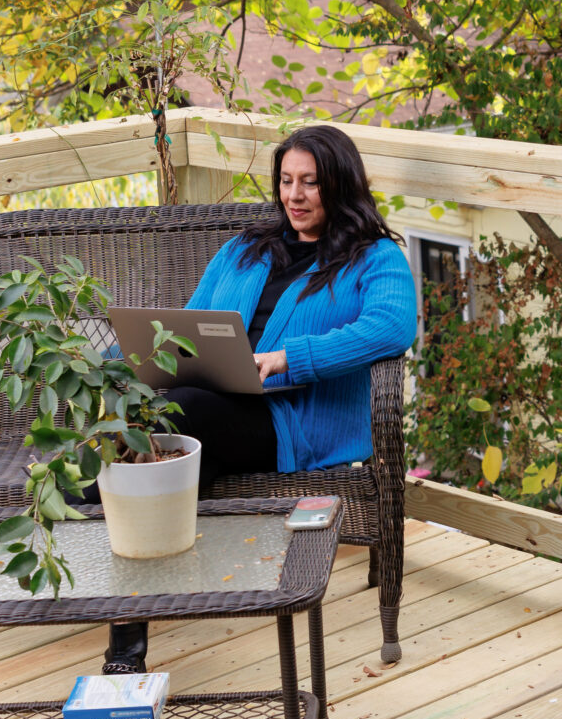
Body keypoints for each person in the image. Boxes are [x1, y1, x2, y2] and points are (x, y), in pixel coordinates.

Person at [102, 124, 417, 673]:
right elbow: (188, 325)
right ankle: (127, 630)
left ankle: (107, 569)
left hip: (288, 420)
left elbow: (391, 328)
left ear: (339, 185)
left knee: (172, 427)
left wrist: (290, 357)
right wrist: (134, 361)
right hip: (211, 401)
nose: (294, 196)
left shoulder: (375, 259)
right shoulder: (243, 249)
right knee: (153, 431)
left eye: (311, 184)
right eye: (286, 181)